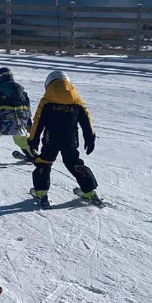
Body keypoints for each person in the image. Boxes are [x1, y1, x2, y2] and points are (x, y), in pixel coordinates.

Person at [27, 71, 101, 208]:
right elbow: (86, 120)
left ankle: (42, 193)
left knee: (44, 162)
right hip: (70, 139)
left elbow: (38, 121)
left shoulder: (47, 101)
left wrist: (33, 140)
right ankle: (90, 192)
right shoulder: (76, 100)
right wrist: (90, 138)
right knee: (74, 163)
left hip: (51, 139)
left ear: (48, 84)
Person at [0, 67, 36, 165]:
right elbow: (27, 108)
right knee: (20, 138)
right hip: (20, 121)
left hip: (4, 121)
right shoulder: (23, 93)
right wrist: (28, 123)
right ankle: (32, 155)